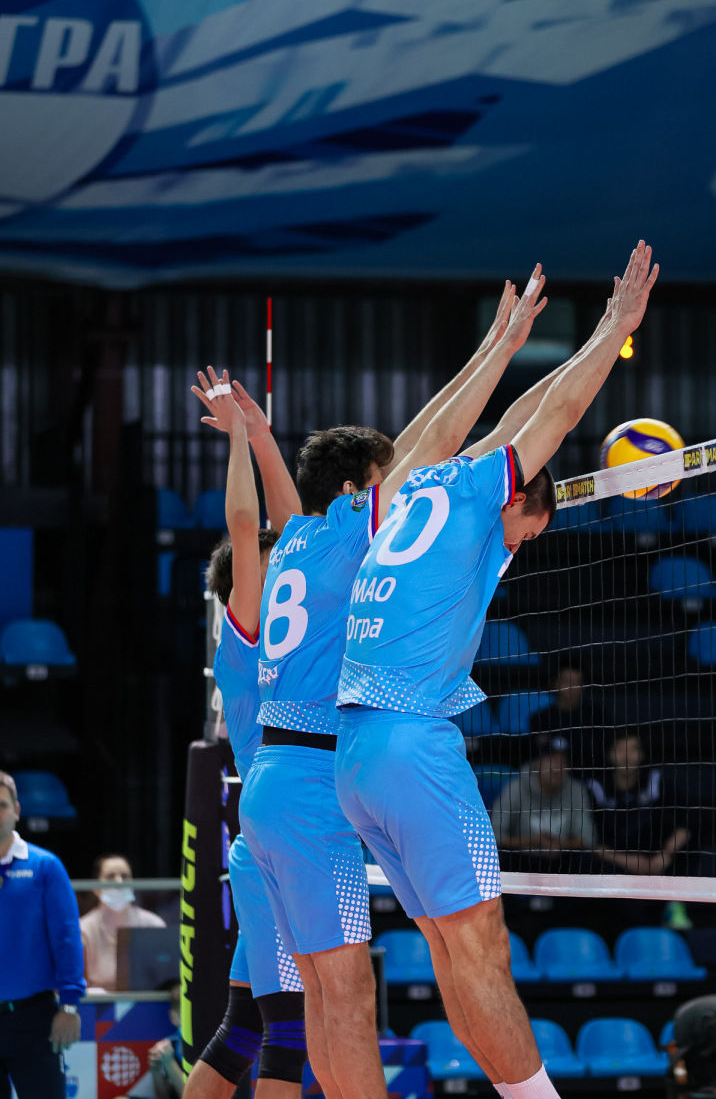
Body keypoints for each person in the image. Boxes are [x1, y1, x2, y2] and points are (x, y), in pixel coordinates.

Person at [335, 241, 658, 1099]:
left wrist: (502, 343)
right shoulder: (485, 496)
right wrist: (614, 328)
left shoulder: (410, 489)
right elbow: (554, 415)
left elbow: (495, 420)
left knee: (452, 948)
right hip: (411, 743)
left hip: (353, 756)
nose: (516, 552)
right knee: (482, 948)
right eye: (527, 536)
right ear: (516, 496)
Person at [223, 273, 549, 1099]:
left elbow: (275, 506)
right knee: (347, 994)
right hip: (314, 780)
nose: (396, 490)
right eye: (382, 481)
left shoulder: (295, 542)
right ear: (355, 493)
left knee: (319, 996)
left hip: (271, 782)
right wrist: (500, 349)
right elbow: (435, 439)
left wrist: (255, 438)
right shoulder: (346, 535)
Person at [185, 372, 307, 1099]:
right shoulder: (246, 630)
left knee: (243, 1030)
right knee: (288, 1034)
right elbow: (245, 525)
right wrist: (236, 437)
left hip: (272, 831)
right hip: (279, 837)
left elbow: (295, 533)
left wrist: (261, 437)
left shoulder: (287, 630)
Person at [0, 770, 85, 1099]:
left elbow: (67, 937)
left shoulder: (45, 866)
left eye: (2, 805)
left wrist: (69, 1006)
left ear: (17, 810)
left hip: (34, 1021)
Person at [588, 731, 691, 876]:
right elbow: (587, 841)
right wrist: (627, 861)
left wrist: (665, 855)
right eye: (620, 749)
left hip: (657, 862)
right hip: (612, 864)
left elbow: (686, 823)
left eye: (633, 749)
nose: (626, 756)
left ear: (642, 754)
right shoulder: (595, 788)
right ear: (609, 754)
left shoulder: (656, 782)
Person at [491, 736, 596, 867]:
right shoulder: (516, 788)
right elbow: (495, 835)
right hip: (523, 859)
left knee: (586, 859)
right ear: (537, 763)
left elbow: (588, 838)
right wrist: (533, 841)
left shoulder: (576, 790)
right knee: (502, 856)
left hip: (563, 860)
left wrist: (561, 844)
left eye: (563, 762)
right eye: (551, 760)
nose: (557, 767)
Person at [80, 854, 166, 991]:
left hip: (145, 1002)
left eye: (125, 876)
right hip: (99, 1004)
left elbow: (165, 977)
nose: (119, 882)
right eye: (110, 877)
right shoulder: (82, 930)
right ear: (95, 887)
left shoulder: (153, 925)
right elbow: (73, 983)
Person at [527, 664, 602, 773]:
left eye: (577, 682)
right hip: (552, 772)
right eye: (567, 682)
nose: (572, 688)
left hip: (587, 772)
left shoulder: (596, 715)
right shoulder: (540, 718)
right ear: (556, 683)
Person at [147, 981, 185, 1099]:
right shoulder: (168, 1045)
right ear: (173, 1017)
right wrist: (156, 1070)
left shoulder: (209, 1046)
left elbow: (194, 1096)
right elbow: (163, 1096)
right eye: (183, 1012)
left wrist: (169, 1063)